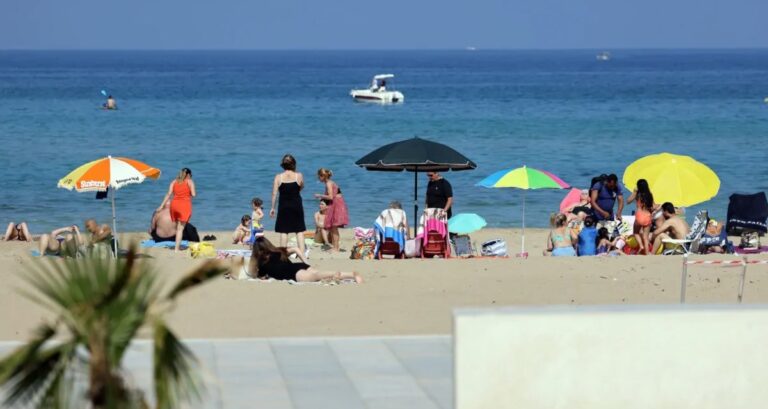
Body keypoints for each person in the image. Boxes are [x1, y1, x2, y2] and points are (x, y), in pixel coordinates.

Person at [248, 237, 362, 283]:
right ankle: (350, 274)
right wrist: (305, 261)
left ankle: (346, 274)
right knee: (317, 273)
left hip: (293, 273)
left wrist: (253, 260)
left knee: (317, 276)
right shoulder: (278, 251)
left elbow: (253, 274)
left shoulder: (262, 262)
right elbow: (296, 249)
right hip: (298, 266)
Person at [271, 154, 307, 256]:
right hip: (296, 204)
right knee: (299, 230)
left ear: (283, 165)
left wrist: (272, 208)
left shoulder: (278, 177)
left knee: (284, 231)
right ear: (294, 164)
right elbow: (301, 186)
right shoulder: (298, 175)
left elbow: (274, 193)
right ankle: (302, 254)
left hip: (284, 206)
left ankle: (283, 255)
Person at [157, 167, 196, 252]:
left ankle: (176, 245)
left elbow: (168, 194)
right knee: (180, 228)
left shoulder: (174, 182)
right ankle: (176, 249)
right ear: (188, 175)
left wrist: (161, 206)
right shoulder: (189, 181)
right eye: (191, 175)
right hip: (184, 205)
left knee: (177, 227)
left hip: (174, 206)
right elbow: (193, 194)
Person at [314, 168, 349, 253]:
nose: (318, 178)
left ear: (323, 176)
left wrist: (320, 195)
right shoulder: (329, 183)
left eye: (319, 176)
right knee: (333, 227)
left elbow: (330, 197)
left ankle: (336, 248)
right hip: (335, 203)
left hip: (336, 204)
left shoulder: (328, 184)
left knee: (334, 227)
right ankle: (334, 246)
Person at [626, 179, 656, 255]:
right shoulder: (650, 194)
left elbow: (628, 201)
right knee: (645, 237)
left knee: (635, 232)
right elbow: (653, 207)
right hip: (647, 216)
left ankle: (641, 246)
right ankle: (646, 253)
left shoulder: (637, 194)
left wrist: (634, 192)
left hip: (639, 215)